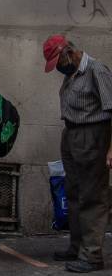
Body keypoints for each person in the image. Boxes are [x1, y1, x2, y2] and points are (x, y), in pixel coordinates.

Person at [44, 34, 112, 274]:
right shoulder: (73, 73)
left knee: (92, 196)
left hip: (92, 135)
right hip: (72, 134)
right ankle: (77, 247)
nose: (58, 69)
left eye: (58, 63)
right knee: (73, 193)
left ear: (69, 53)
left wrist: (111, 149)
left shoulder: (96, 70)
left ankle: (92, 256)